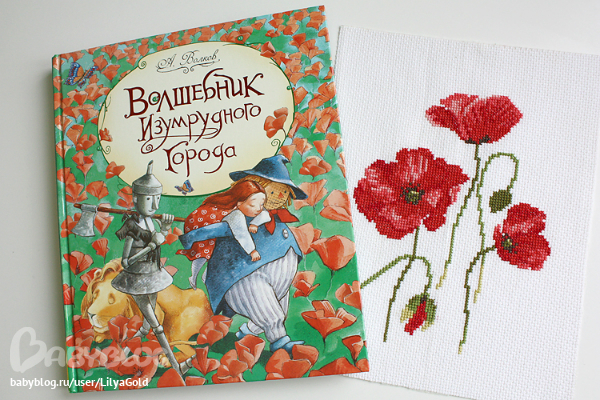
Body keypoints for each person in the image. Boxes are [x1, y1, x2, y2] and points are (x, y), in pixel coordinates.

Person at [179, 155, 308, 354]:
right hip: (244, 275)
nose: (280, 196)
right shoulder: (238, 219)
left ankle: (248, 332)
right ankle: (280, 343)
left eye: (284, 192)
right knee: (266, 308)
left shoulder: (271, 217)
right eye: (273, 190)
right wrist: (190, 238)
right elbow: (215, 230)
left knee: (278, 309)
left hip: (276, 278)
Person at [111, 161, 192, 378]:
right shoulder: (132, 227)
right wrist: (151, 245)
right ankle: (176, 367)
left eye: (157, 198)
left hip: (153, 275)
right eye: (149, 199)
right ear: (136, 199)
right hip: (137, 279)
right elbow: (126, 261)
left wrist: (163, 230)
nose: (155, 204)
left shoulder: (151, 222)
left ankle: (124, 352)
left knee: (147, 326)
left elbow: (158, 239)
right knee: (157, 326)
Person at [177, 180, 271, 289]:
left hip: (216, 225)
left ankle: (205, 277)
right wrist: (252, 251)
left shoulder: (250, 209)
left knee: (214, 252)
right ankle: (193, 276)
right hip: (201, 222)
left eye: (261, 204)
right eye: (252, 205)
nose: (259, 209)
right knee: (204, 251)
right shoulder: (236, 215)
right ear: (239, 203)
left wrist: (255, 223)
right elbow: (242, 234)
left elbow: (266, 214)